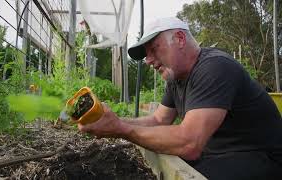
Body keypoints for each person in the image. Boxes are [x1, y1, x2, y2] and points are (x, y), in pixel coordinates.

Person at [78, 17, 282, 179]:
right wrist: (114, 121)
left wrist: (121, 130)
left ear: (180, 39)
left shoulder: (215, 67)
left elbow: (189, 143)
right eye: (146, 54)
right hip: (223, 155)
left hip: (262, 159)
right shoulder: (176, 79)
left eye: (154, 49)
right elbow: (158, 120)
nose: (148, 60)